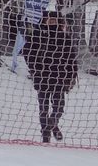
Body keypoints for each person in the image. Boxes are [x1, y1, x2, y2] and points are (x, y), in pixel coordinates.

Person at [23, 11, 78, 143]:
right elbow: (27, 52)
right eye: (49, 19)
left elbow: (71, 59)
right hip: (41, 77)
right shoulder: (37, 35)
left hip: (59, 78)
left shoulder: (65, 38)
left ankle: (52, 125)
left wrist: (72, 76)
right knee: (43, 108)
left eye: (54, 19)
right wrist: (34, 68)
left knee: (59, 107)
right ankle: (46, 135)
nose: (52, 21)